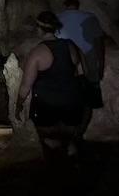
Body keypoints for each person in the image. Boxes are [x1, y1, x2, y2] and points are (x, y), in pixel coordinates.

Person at [15, 11, 85, 163]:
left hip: (47, 105)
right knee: (68, 141)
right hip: (71, 102)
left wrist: (18, 104)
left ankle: (54, 174)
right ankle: (72, 173)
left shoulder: (37, 53)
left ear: (39, 29)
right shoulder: (70, 46)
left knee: (50, 144)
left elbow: (27, 84)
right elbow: (78, 71)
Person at [57, 0, 105, 137]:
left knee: (66, 102)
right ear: (78, 3)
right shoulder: (90, 17)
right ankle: (79, 133)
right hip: (89, 67)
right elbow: (99, 44)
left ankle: (67, 133)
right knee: (88, 103)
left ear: (65, 3)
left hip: (66, 68)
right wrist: (100, 66)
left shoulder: (58, 19)